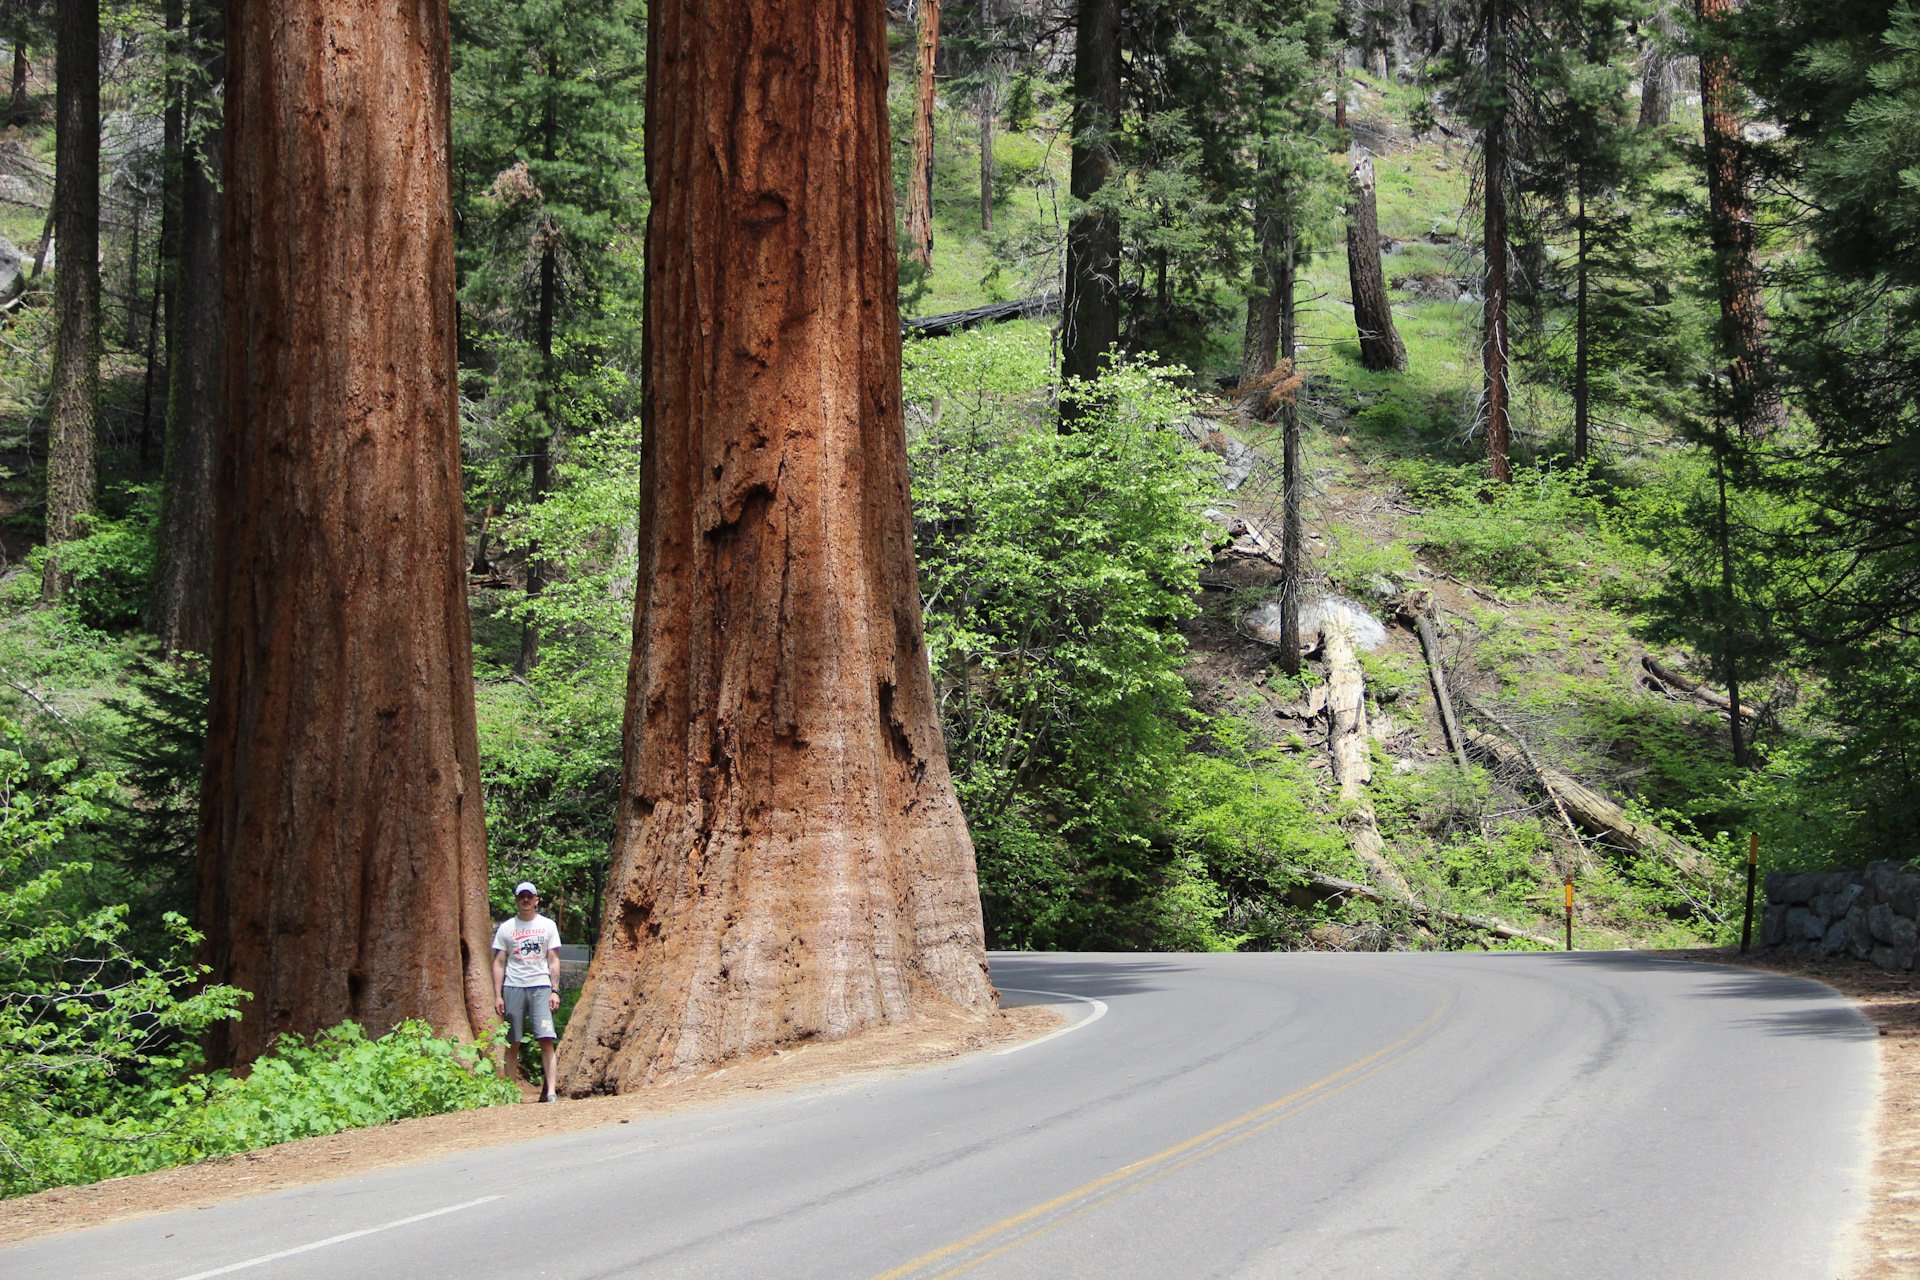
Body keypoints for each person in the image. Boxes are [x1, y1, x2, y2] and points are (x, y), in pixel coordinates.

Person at [492, 881, 562, 1102]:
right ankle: (511, 1092)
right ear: (516, 900)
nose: (525, 900)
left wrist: (555, 990)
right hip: (514, 986)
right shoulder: (507, 928)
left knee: (546, 1038)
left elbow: (553, 959)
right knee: (513, 1040)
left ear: (536, 900)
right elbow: (499, 962)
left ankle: (551, 1091)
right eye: (521, 896)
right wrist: (497, 995)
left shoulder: (548, 926)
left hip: (540, 986)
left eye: (529, 897)